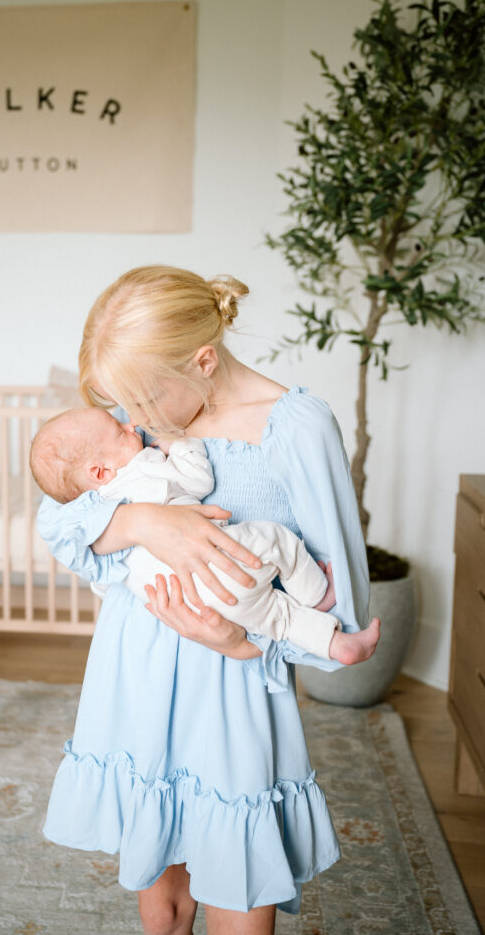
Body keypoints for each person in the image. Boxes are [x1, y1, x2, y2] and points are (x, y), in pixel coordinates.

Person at [37, 266, 372, 935]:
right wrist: (140, 523)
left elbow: (341, 618)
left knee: (238, 889)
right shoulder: (139, 418)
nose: (128, 421)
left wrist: (239, 642)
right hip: (137, 675)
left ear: (203, 360)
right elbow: (59, 519)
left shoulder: (294, 428)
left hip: (230, 684)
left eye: (137, 403)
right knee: (161, 900)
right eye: (118, 406)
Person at [30, 405, 380, 665]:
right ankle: (317, 593)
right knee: (276, 541)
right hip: (223, 569)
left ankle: (337, 646)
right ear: (101, 471)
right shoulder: (141, 469)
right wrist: (178, 444)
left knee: (279, 618)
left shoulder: (90, 516)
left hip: (190, 605)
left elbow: (103, 583)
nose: (130, 424)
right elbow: (199, 482)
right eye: (121, 431)